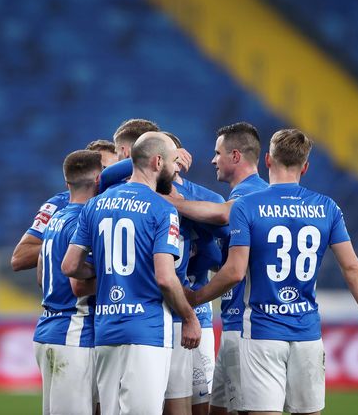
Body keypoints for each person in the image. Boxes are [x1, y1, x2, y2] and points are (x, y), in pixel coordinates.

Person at [189, 128, 358, 415]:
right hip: (307, 333)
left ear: (268, 160)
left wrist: (195, 299)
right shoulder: (327, 208)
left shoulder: (247, 206)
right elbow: (353, 268)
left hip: (262, 331)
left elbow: (234, 272)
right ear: (305, 167)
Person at [62, 132, 201, 415]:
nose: (176, 170)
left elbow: (70, 266)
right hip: (147, 329)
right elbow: (165, 277)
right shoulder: (163, 209)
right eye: (174, 162)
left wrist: (106, 271)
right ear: (157, 161)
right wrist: (189, 316)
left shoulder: (94, 205)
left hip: (106, 329)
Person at [166, 122, 268, 415]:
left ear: (235, 156)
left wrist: (170, 202)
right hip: (235, 324)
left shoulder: (252, 194)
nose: (212, 159)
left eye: (218, 153)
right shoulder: (247, 194)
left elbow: (225, 215)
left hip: (248, 325)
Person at [33, 150, 103, 415]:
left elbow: (41, 276)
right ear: (99, 179)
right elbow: (80, 286)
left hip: (47, 328)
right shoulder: (84, 221)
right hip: (74, 332)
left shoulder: (56, 219)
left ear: (67, 183)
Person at [11, 139, 124, 272]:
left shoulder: (120, 205)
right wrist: (72, 243)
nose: (110, 177)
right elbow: (19, 258)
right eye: (105, 170)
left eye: (116, 172)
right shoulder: (58, 205)